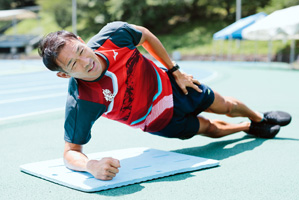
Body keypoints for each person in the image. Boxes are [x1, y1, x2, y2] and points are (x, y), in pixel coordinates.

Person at [38, 21, 291, 181]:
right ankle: (250, 128)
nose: (86, 62)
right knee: (209, 129)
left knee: (225, 105)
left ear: (82, 42)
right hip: (157, 120)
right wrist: (91, 166)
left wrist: (174, 69)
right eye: (73, 64)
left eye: (81, 51)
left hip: (172, 86)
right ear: (64, 74)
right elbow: (70, 152)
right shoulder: (81, 101)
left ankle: (259, 117)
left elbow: (145, 35)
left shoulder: (114, 35)